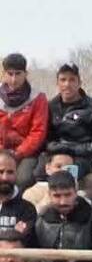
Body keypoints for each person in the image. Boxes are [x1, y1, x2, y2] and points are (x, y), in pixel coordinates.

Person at [43, 63, 92, 185]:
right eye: (63, 80)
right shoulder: (50, 107)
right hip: (56, 154)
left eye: (72, 80)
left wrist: (74, 149)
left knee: (66, 175)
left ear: (79, 83)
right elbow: (45, 137)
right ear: (57, 83)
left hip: (84, 157)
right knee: (35, 173)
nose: (67, 84)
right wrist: (53, 147)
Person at [0, 54, 49, 189]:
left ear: (25, 74)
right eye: (10, 74)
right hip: (2, 148)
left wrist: (18, 153)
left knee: (23, 179)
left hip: (26, 152)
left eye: (18, 74)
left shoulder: (38, 97)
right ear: (3, 74)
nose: (14, 79)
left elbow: (38, 131)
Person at [0, 150, 38, 244]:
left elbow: (19, 240)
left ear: (17, 173)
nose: (5, 177)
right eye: (0, 172)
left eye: (10, 172)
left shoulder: (27, 209)